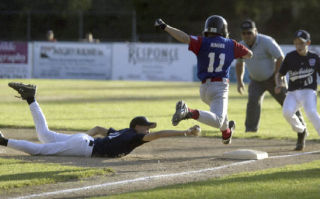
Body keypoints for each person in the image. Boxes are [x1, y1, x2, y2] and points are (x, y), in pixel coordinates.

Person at [0, 82, 201, 158]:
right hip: (84, 147)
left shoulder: (122, 132)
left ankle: (31, 98)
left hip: (82, 141)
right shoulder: (134, 136)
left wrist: (76, 139)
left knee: (44, 135)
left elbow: (97, 128)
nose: (148, 130)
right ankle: (3, 141)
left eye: (148, 128)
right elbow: (160, 134)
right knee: (39, 150)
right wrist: (185, 132)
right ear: (137, 126)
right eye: (146, 127)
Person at [154, 15, 252, 144]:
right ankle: (188, 112)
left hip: (204, 89)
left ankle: (226, 134)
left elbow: (184, 38)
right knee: (218, 120)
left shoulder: (202, 42)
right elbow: (249, 54)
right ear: (224, 30)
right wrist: (233, 50)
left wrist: (165, 27)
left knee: (222, 117)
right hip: (220, 87)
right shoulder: (231, 44)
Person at [235, 19, 305, 133]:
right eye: (244, 33)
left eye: (249, 32)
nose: (247, 35)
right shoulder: (241, 45)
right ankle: (250, 132)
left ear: (255, 31)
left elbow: (280, 57)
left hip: (274, 79)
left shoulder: (266, 41)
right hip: (256, 81)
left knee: (288, 103)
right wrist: (239, 81)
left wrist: (278, 77)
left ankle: (302, 129)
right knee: (252, 104)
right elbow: (239, 64)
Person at [275, 30, 320, 150]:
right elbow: (280, 74)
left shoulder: (314, 58)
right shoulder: (290, 57)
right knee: (287, 112)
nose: (298, 46)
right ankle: (301, 130)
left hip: (309, 91)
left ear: (308, 43)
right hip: (293, 92)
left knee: (311, 112)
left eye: (301, 43)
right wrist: (279, 84)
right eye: (296, 43)